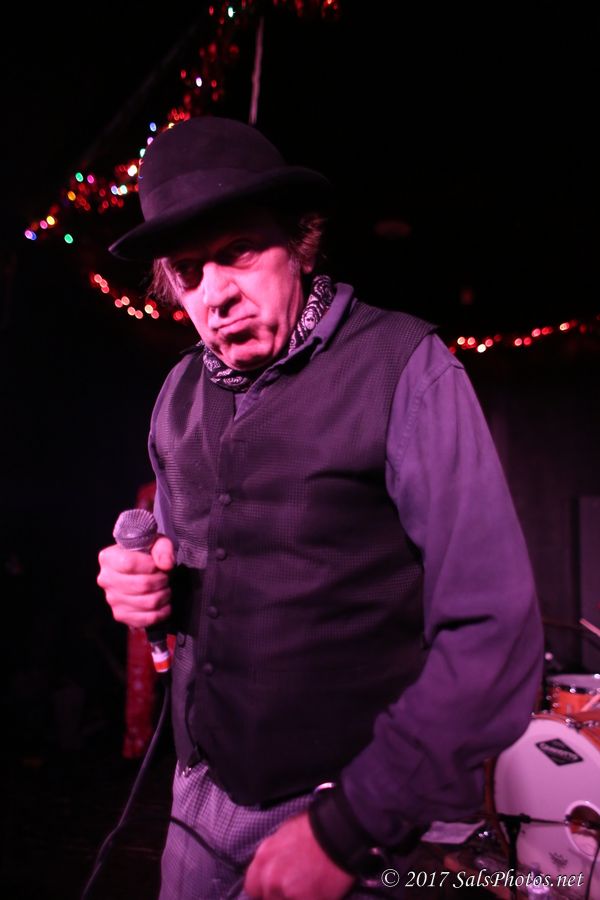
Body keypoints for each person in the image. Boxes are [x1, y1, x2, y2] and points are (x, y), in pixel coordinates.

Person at [97, 116, 543, 900]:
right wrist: (145, 588)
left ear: (299, 243)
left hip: (350, 811)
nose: (217, 293)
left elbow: (492, 633)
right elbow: (187, 562)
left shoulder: (405, 367)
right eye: (190, 272)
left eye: (239, 250)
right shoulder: (177, 394)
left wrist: (351, 827)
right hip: (198, 798)